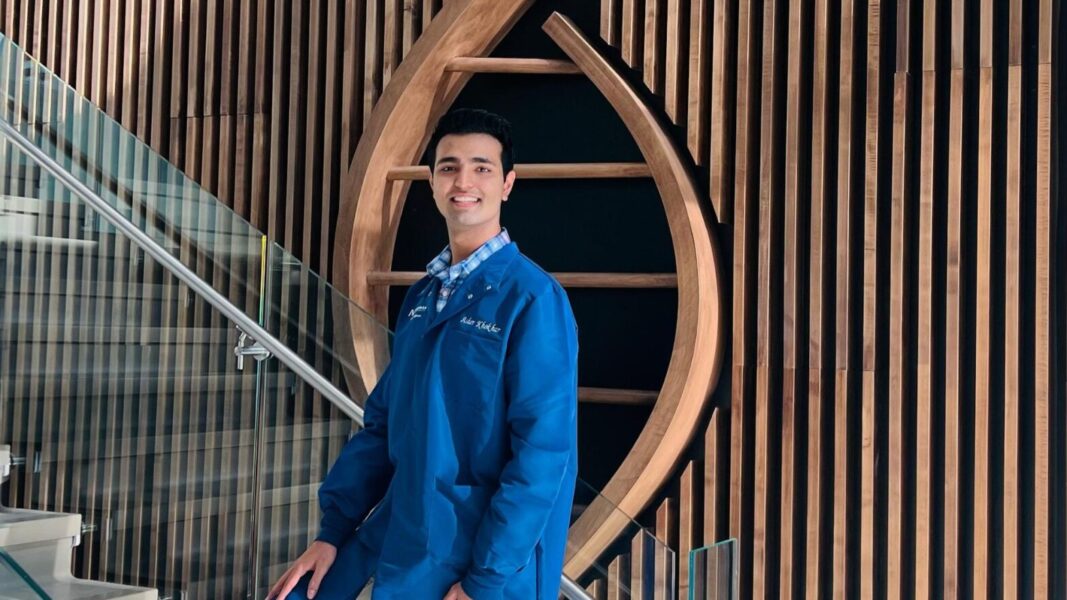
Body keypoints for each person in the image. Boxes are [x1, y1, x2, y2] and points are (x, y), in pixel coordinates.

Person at [267, 108, 579, 600]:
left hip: (480, 559)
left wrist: (484, 581)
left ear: (507, 185)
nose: (464, 181)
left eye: (482, 167)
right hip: (410, 531)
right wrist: (332, 532)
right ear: (432, 182)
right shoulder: (423, 297)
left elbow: (543, 454)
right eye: (449, 167)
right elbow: (384, 425)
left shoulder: (532, 299)